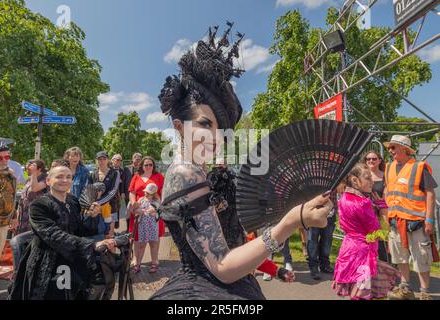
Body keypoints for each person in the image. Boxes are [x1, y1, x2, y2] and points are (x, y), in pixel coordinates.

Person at [148, 26, 332, 300]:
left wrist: (273, 267)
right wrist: (291, 222)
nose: (215, 137)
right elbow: (222, 266)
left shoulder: (203, 172)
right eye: (204, 124)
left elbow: (233, 244)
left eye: (222, 129)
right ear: (178, 126)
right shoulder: (185, 173)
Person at [8, 164, 116, 300]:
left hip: (72, 254)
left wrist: (92, 217)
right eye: (59, 177)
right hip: (47, 260)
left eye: (68, 177)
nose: (64, 180)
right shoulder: (39, 205)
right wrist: (91, 245)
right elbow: (53, 235)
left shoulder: (72, 201)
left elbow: (80, 230)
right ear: (48, 181)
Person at [332, 163, 400, 300]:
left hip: (348, 248)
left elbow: (344, 224)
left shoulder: (343, 198)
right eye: (367, 178)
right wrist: (383, 209)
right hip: (364, 251)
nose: (372, 181)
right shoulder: (363, 203)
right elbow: (375, 231)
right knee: (361, 292)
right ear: (355, 180)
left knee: (354, 287)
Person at [384, 135, 438, 300]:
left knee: (421, 257)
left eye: (393, 147)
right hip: (396, 221)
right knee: (400, 257)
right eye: (389, 148)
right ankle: (405, 289)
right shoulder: (389, 167)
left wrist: (429, 219)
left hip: (416, 223)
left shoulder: (418, 167)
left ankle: (424, 292)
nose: (390, 151)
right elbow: (387, 190)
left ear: (404, 149)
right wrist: (388, 211)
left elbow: (430, 194)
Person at [9, 159, 48, 270]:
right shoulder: (29, 179)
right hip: (23, 217)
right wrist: (15, 217)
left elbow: (35, 188)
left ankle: (30, 270)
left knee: (32, 246)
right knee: (19, 245)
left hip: (35, 217)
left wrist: (34, 173)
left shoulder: (45, 179)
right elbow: (22, 199)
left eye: (29, 167)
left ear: (39, 168)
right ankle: (19, 270)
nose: (27, 169)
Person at [128, 156, 165, 272]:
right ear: (142, 166)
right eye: (146, 165)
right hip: (139, 210)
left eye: (150, 165)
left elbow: (163, 194)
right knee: (138, 238)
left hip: (154, 212)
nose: (148, 167)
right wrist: (134, 204)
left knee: (154, 238)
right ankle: (136, 260)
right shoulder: (136, 176)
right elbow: (132, 192)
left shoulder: (159, 177)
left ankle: (155, 260)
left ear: (153, 166)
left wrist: (158, 208)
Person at [0, 137, 17, 291]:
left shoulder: (10, 176)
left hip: (2, 226)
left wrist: (14, 217)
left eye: (7, 157)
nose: (4, 160)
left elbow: (13, 198)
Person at [363, 151, 390, 262]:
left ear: (379, 160)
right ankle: (368, 269)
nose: (371, 161)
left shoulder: (385, 176)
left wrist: (382, 206)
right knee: (367, 243)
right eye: (368, 159)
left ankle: (384, 270)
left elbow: (386, 197)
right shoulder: (362, 175)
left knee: (381, 242)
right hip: (365, 214)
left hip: (381, 214)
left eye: (374, 159)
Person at [130, 183, 161, 273]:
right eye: (146, 192)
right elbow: (135, 210)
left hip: (152, 226)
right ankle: (138, 264)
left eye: (149, 193)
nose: (146, 194)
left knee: (153, 244)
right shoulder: (141, 199)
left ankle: (154, 263)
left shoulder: (156, 201)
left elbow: (152, 210)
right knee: (142, 245)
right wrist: (135, 209)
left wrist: (141, 211)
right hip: (142, 226)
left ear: (154, 194)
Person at [89, 151, 120, 239]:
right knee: (97, 236)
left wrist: (100, 202)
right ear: (96, 161)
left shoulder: (115, 173)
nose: (101, 161)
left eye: (104, 159)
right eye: (99, 159)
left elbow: (113, 191)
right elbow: (89, 190)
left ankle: (111, 253)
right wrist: (93, 203)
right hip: (95, 209)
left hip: (111, 208)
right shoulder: (92, 174)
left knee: (109, 236)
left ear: (108, 160)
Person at [307, 198, 337, 280]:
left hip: (330, 214)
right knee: (313, 241)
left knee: (327, 241)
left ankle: (325, 265)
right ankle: (313, 267)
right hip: (314, 213)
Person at [124, 153, 142, 231]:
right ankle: (128, 228)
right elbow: (124, 181)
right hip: (128, 194)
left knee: (138, 210)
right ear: (132, 159)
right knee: (128, 211)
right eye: (135, 158)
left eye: (139, 159)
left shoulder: (142, 169)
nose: (137, 160)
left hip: (139, 194)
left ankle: (138, 228)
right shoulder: (126, 169)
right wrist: (122, 192)